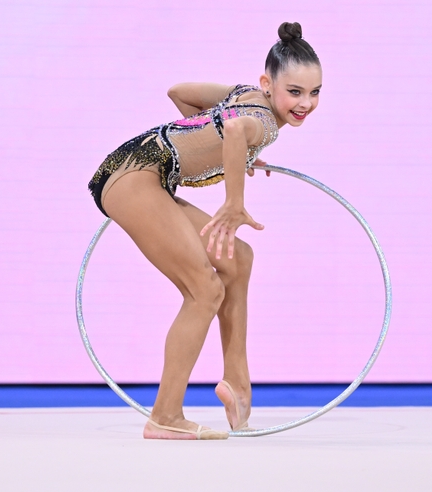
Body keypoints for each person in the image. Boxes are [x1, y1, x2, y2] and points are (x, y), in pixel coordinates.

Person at [87, 21, 322, 440]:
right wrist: (234, 202)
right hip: (134, 176)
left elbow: (180, 92)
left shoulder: (242, 95)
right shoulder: (264, 122)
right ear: (268, 84)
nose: (305, 103)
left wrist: (222, 146)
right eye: (295, 92)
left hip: (144, 172)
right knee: (205, 290)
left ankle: (237, 380)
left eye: (315, 92)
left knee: (238, 259)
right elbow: (233, 129)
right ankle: (165, 415)